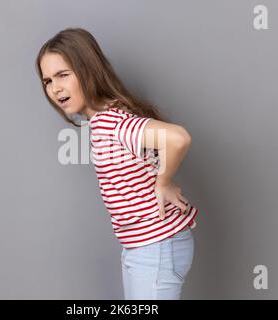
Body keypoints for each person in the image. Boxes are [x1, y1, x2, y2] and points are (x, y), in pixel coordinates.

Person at [35, 27, 199, 300]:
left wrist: (164, 181)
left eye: (63, 75)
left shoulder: (110, 122)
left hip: (155, 247)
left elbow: (178, 137)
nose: (55, 88)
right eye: (48, 81)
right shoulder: (102, 120)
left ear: (88, 70)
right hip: (144, 246)